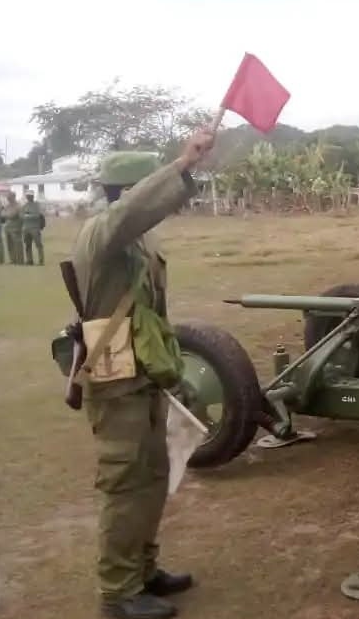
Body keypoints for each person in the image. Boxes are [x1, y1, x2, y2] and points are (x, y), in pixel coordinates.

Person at [68, 129, 213, 619]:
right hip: (115, 382)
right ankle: (118, 592)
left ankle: (143, 571)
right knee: (126, 484)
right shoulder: (103, 233)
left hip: (143, 373)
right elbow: (130, 213)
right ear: (127, 191)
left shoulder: (136, 244)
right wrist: (179, 168)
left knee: (152, 478)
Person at [21, 191, 46, 265]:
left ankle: (41, 260)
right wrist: (29, 215)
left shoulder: (36, 205)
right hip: (26, 228)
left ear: (33, 196)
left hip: (35, 228)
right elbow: (21, 216)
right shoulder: (24, 205)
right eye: (28, 196)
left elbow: (37, 215)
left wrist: (27, 215)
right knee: (27, 245)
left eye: (30, 196)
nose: (29, 197)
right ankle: (29, 260)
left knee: (38, 245)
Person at [1, 190, 25, 265]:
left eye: (9, 197)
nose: (8, 199)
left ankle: (20, 260)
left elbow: (14, 215)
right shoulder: (7, 206)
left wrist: (7, 215)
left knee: (18, 245)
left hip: (16, 228)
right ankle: (13, 259)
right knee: (9, 245)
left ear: (13, 197)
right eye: (8, 197)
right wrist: (8, 215)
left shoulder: (18, 206)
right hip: (7, 228)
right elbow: (2, 214)